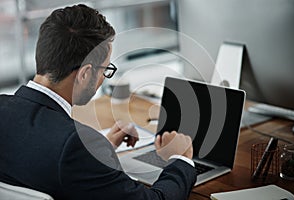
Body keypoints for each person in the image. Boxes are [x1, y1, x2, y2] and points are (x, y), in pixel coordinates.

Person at [0, 4, 196, 200]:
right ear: (85, 74)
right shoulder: (76, 146)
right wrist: (180, 159)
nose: (104, 77)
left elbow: (38, 158)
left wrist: (100, 152)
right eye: (105, 69)